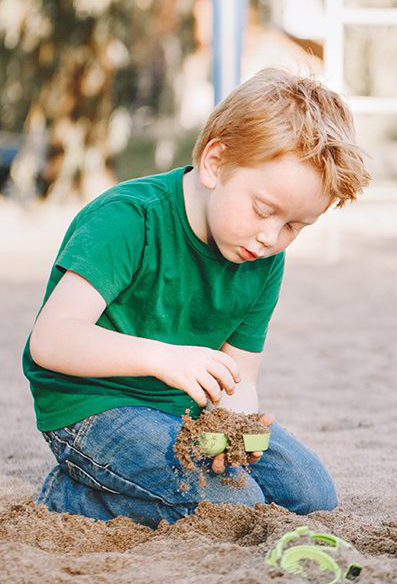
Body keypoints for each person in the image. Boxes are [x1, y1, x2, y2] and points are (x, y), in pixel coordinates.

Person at [24, 68, 370, 528]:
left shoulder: (262, 259)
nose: (270, 237)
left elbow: (239, 376)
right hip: (92, 407)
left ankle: (126, 485)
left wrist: (235, 427)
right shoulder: (129, 219)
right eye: (263, 210)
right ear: (215, 163)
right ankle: (70, 494)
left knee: (310, 493)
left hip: (181, 416)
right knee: (234, 506)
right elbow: (50, 341)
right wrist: (164, 359)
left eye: (293, 227)